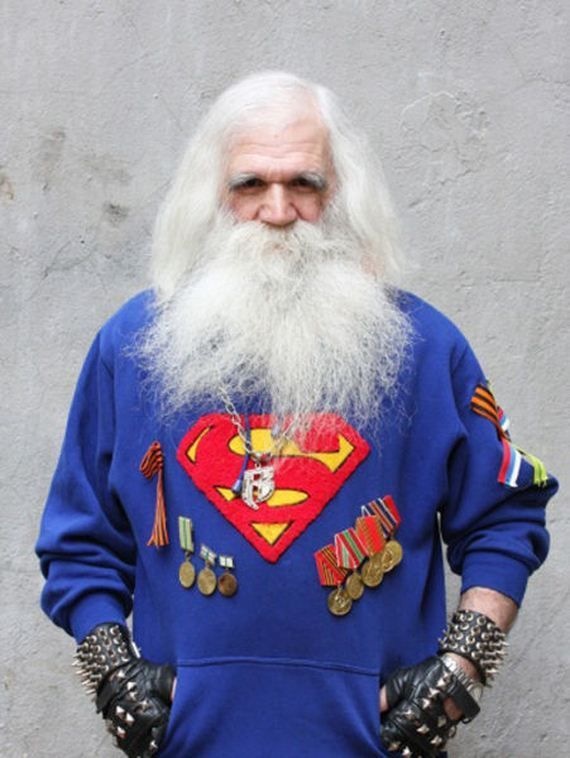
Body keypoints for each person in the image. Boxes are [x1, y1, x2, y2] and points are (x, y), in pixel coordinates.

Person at [36, 71, 557, 758]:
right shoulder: (131, 347)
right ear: (210, 194)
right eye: (250, 183)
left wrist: (463, 669)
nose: (277, 210)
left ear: (340, 193)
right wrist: (112, 674)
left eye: (304, 183)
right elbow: (79, 546)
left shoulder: (425, 348)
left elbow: (504, 519)